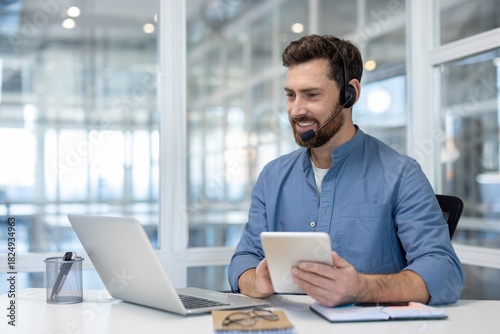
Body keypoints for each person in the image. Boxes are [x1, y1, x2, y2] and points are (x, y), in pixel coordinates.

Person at [227, 34, 463, 307]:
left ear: (350, 94)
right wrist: (256, 281)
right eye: (290, 95)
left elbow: (445, 272)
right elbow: (243, 260)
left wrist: (362, 288)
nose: (295, 110)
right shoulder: (273, 176)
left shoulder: (401, 175)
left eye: (311, 94)